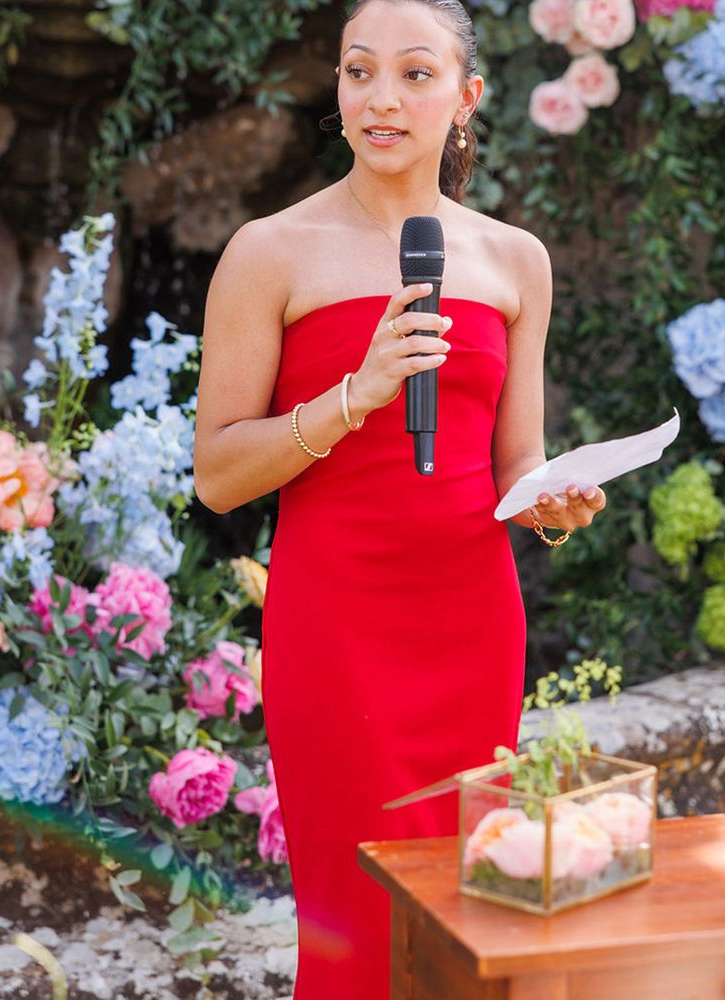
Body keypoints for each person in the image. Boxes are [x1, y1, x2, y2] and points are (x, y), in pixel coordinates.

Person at [193, 0, 607, 995]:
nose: (381, 97)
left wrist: (549, 500)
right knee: (352, 917)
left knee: (469, 911)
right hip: (334, 625)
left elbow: (517, 461)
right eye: (358, 71)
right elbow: (216, 474)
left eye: (415, 74)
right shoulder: (268, 253)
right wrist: (353, 396)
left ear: (465, 98)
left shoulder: (516, 262)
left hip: (471, 623)